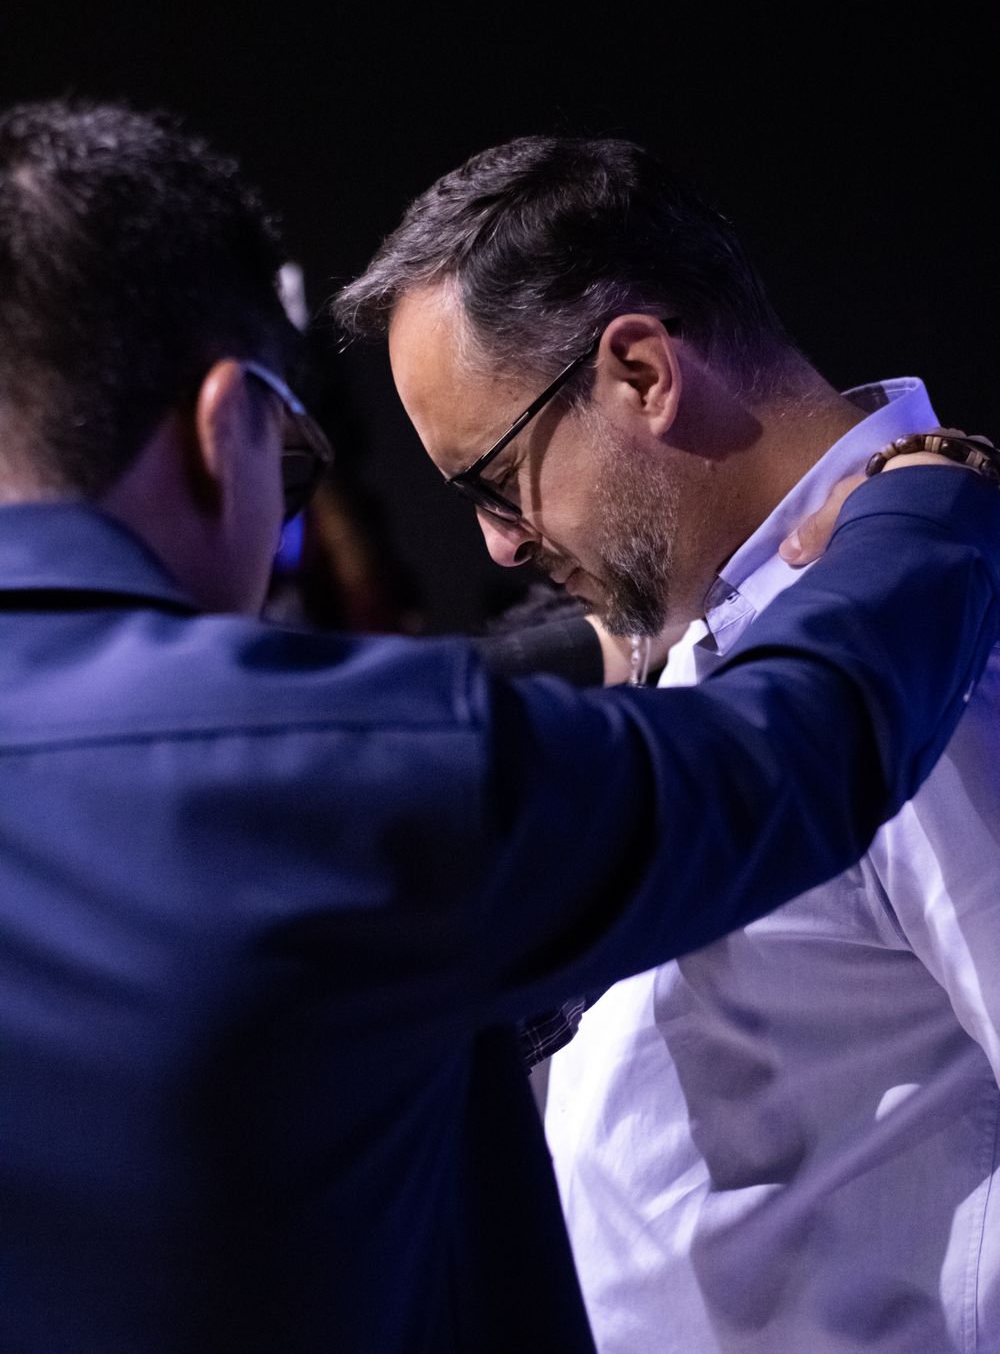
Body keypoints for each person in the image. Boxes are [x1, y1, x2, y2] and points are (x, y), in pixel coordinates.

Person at [335, 133, 1000, 1353]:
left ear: (640, 371)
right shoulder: (725, 630)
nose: (496, 544)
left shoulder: (933, 650)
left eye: (495, 480)